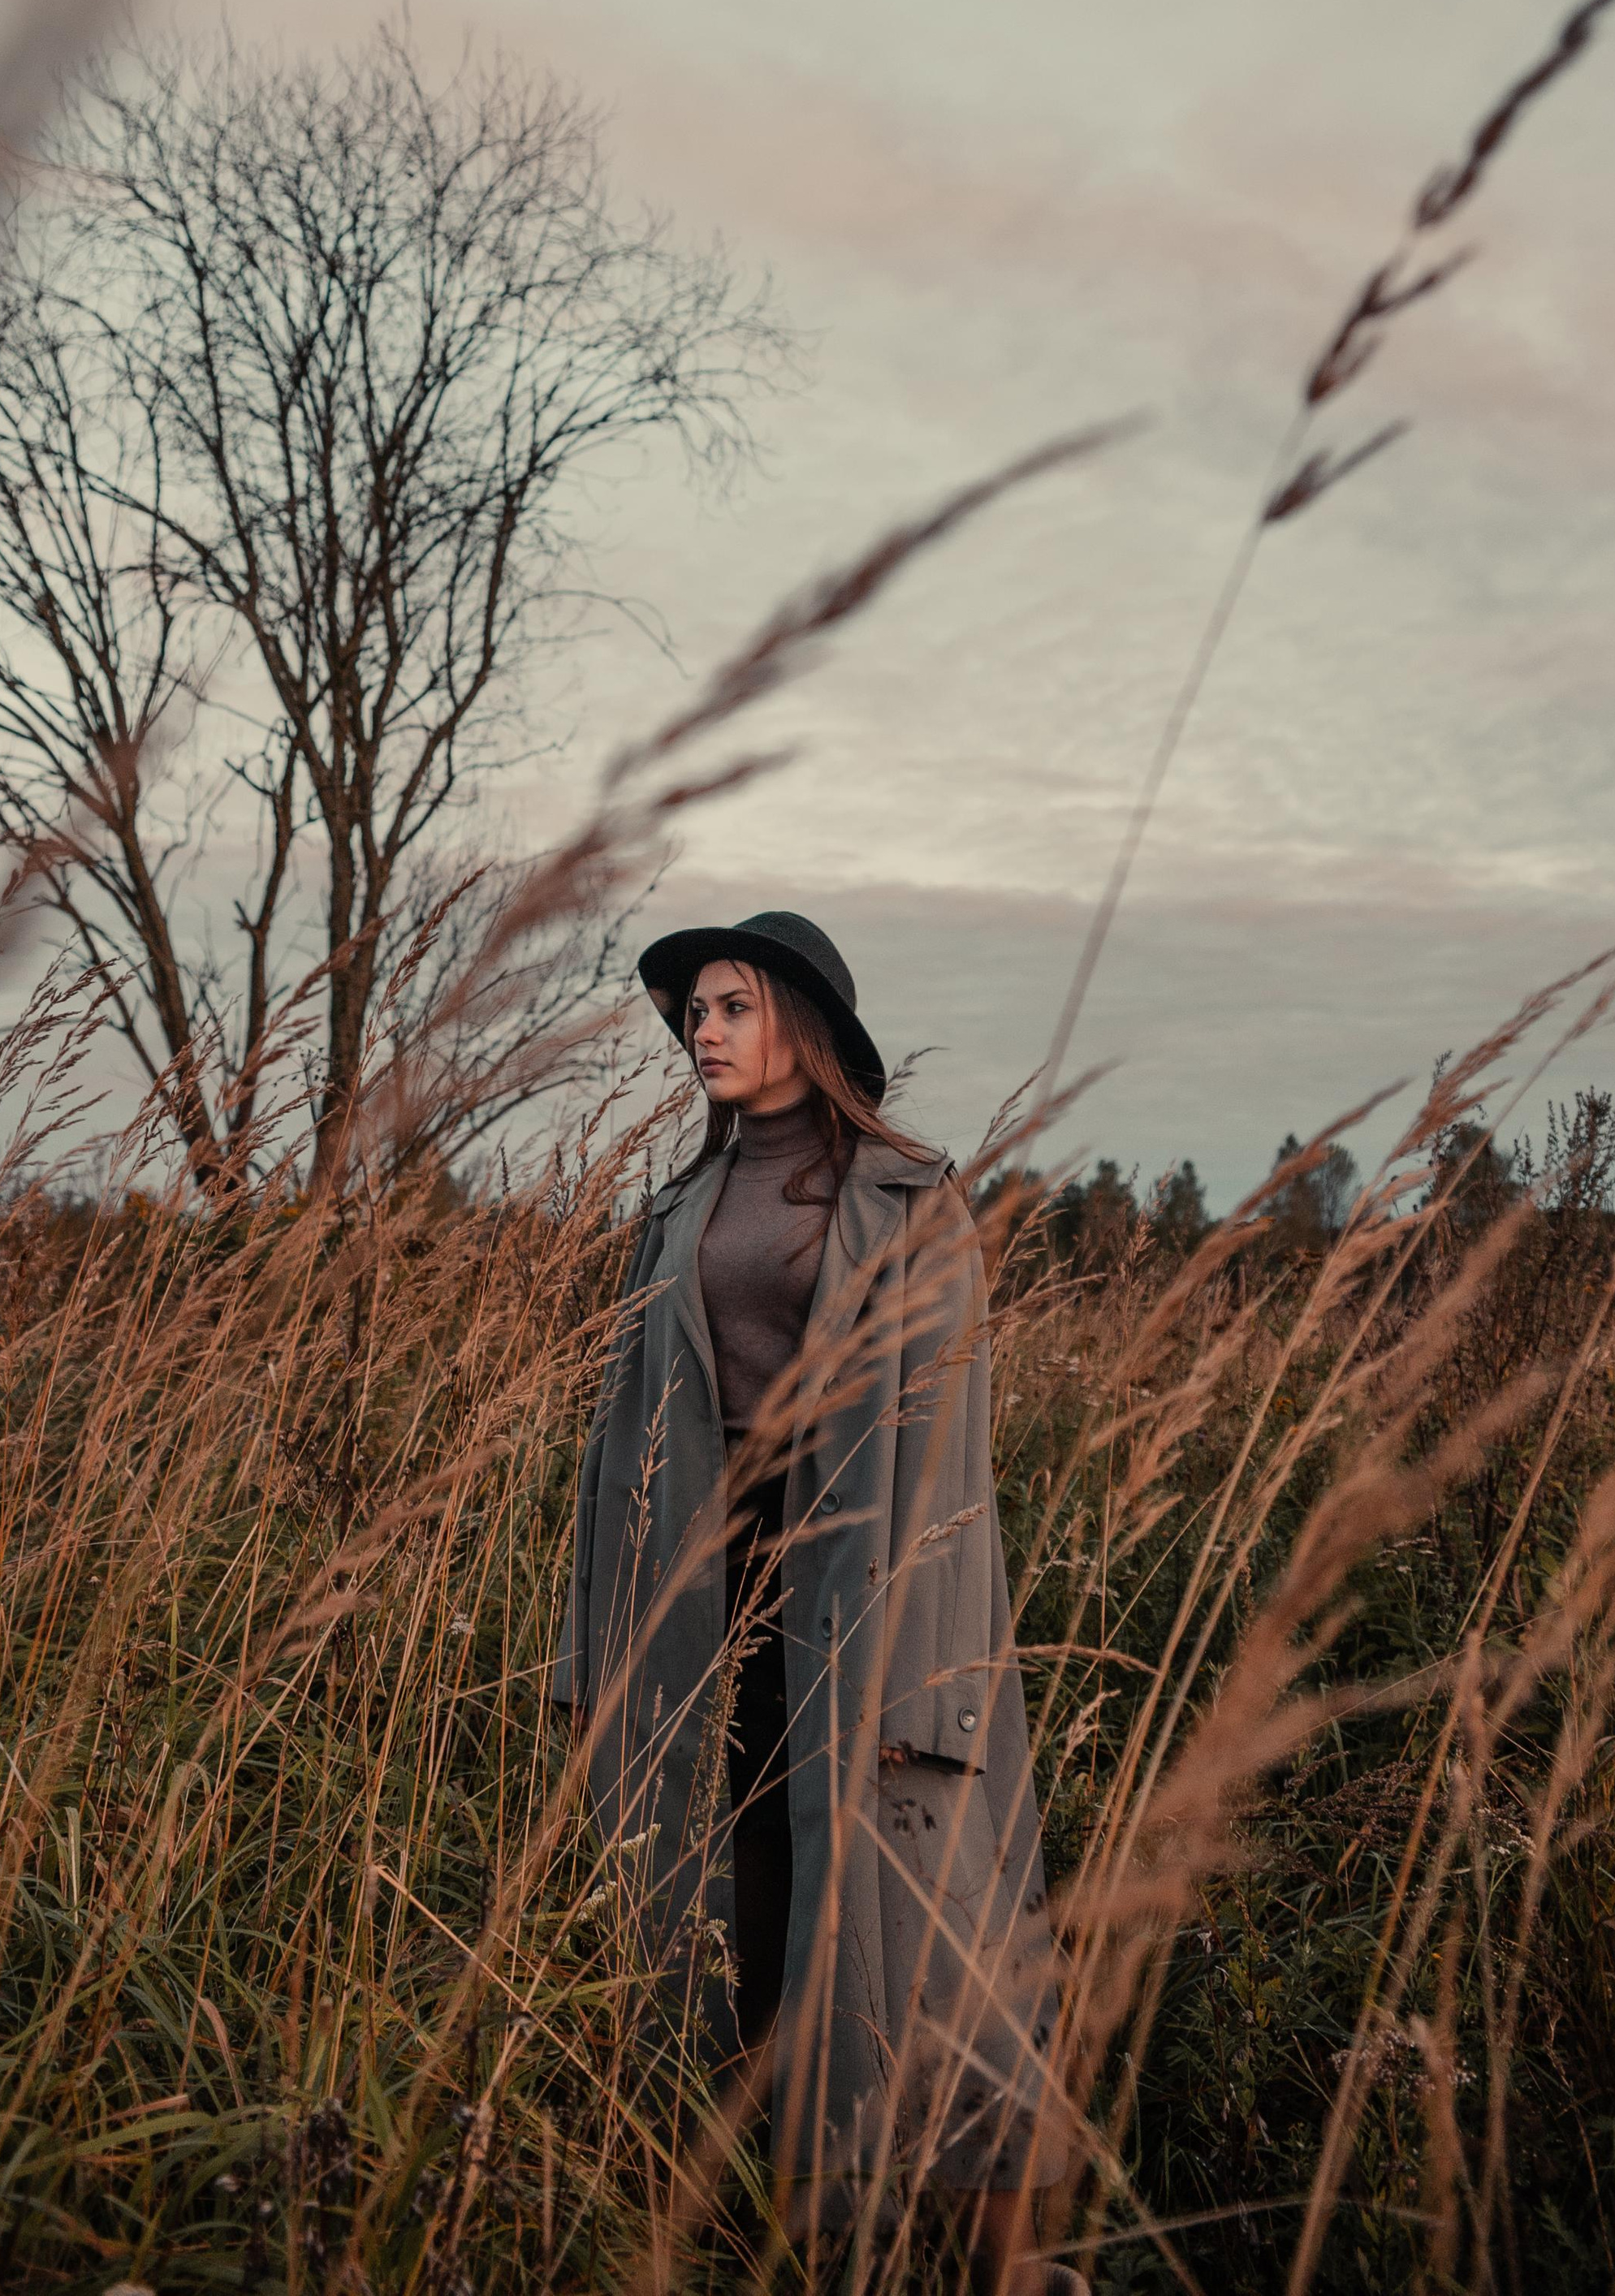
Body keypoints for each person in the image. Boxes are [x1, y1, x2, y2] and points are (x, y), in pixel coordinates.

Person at [555, 911, 1079, 2294]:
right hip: (698, 1607)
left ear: (805, 1023)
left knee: (929, 1937)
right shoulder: (677, 1208)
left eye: (729, 1006)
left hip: (870, 1605)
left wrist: (926, 1687)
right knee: (747, 1915)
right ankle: (777, 2235)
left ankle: (1010, 2268)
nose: (702, 1032)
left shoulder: (909, 1196)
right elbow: (621, 1446)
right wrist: (584, 1649)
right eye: (691, 1016)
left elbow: (948, 1451)